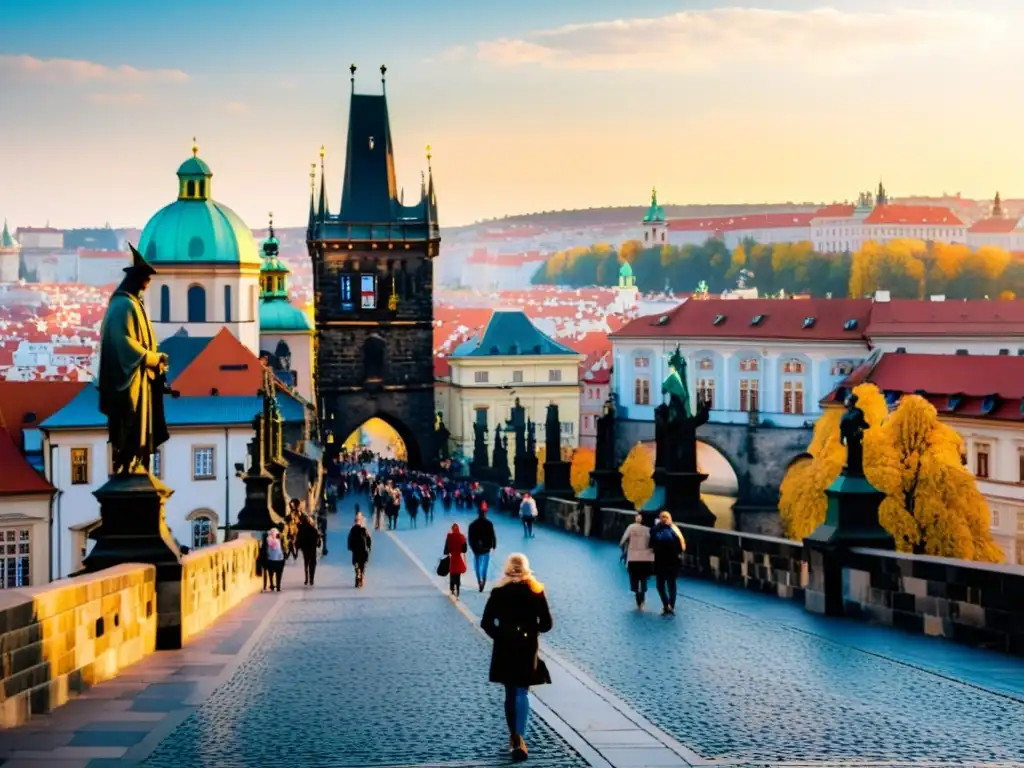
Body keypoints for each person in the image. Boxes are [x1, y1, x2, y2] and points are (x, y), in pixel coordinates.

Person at [481, 553, 553, 763]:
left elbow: (486, 622)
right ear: (526, 569)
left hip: (504, 646)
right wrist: (532, 631)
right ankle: (520, 737)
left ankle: (513, 736)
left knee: (510, 691)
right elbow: (547, 623)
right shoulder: (535, 591)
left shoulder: (498, 591)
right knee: (522, 690)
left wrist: (501, 635)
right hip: (527, 646)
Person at [650, 511, 685, 615]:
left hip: (661, 562)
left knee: (661, 585)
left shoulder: (656, 530)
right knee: (671, 585)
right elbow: (681, 546)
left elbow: (651, 544)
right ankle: (670, 606)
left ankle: (667, 606)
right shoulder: (674, 530)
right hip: (672, 562)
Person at [619, 512, 654, 609]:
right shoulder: (649, 530)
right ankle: (643, 602)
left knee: (634, 578)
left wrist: (624, 549)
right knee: (643, 579)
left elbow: (622, 542)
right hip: (646, 558)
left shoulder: (631, 527)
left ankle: (638, 602)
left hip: (634, 557)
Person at [468, 504, 498, 592]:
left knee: (477, 566)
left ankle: (479, 581)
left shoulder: (473, 524)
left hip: (476, 550)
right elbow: (493, 535)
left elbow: (470, 538)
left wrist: (472, 547)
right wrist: (494, 545)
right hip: (486, 548)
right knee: (484, 566)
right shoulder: (489, 523)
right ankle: (483, 580)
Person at [347, 511, 372, 588]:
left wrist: (350, 547)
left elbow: (349, 539)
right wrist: (369, 547)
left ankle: (357, 575)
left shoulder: (353, 530)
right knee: (363, 565)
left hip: (356, 550)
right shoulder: (364, 529)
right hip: (364, 550)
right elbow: (369, 539)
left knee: (356, 563)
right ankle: (361, 579)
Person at [296, 513, 322, 587]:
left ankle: (306, 579)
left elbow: (299, 539)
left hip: (305, 549)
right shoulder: (313, 529)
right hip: (312, 549)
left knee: (306, 564)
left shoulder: (302, 529)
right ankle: (311, 579)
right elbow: (318, 538)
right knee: (312, 564)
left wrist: (298, 546)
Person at [443, 523, 468, 598]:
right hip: (458, 557)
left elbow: (446, 549)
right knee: (458, 573)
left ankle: (452, 588)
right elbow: (464, 550)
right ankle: (458, 588)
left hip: (452, 558)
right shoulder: (461, 537)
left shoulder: (449, 537)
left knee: (452, 572)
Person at [265, 527, 286, 592]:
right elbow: (280, 551)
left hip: (271, 560)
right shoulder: (278, 541)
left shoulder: (268, 540)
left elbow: (267, 550)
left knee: (271, 574)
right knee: (279, 574)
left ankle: (271, 585)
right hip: (279, 560)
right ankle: (278, 587)